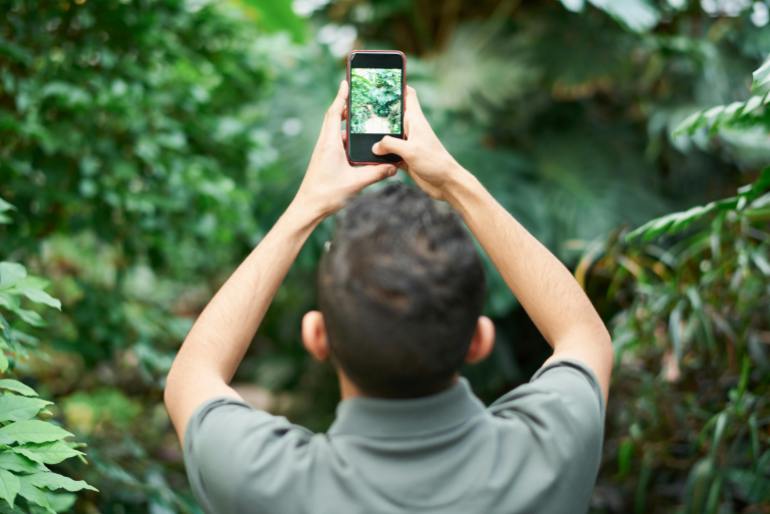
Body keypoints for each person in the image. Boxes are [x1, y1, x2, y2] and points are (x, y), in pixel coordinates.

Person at [164, 80, 614, 514]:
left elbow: (192, 377)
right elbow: (583, 335)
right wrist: (456, 183)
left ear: (317, 336)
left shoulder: (265, 480)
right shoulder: (549, 452)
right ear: (480, 339)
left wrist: (307, 207)